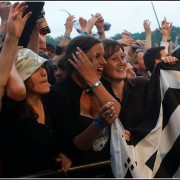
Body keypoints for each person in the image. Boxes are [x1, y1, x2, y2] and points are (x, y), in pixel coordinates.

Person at [43, 35, 121, 177]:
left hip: (109, 171)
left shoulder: (100, 85)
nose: (103, 62)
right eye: (97, 56)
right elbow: (72, 148)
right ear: (78, 60)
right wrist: (98, 124)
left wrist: (92, 80)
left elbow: (116, 110)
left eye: (103, 56)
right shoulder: (58, 94)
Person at [0, 48, 72, 177]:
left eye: (43, 66)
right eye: (33, 70)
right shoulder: (11, 110)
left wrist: (58, 155)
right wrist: (7, 48)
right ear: (20, 78)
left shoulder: (49, 101)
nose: (44, 72)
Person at [101, 38, 177, 130]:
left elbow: (170, 97)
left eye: (122, 57)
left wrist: (171, 67)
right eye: (114, 59)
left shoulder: (142, 84)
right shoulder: (96, 96)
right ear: (101, 64)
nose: (122, 63)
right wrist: (114, 134)